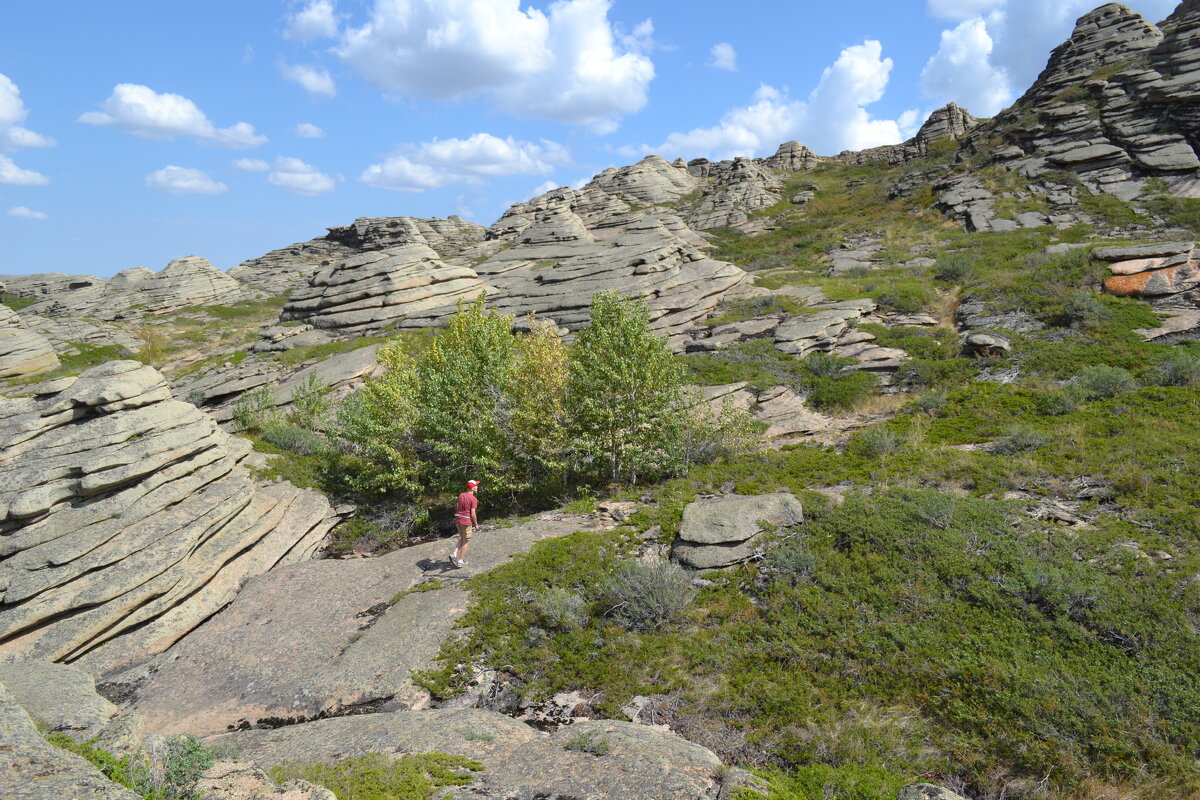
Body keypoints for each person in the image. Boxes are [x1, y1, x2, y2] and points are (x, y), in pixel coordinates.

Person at [451, 479, 480, 567]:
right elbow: (473, 514)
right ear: (472, 488)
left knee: (462, 537)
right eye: (476, 486)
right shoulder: (473, 499)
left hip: (458, 519)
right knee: (466, 541)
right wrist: (476, 524)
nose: (477, 487)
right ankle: (460, 561)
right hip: (466, 521)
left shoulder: (461, 495)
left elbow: (458, 506)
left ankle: (454, 554)